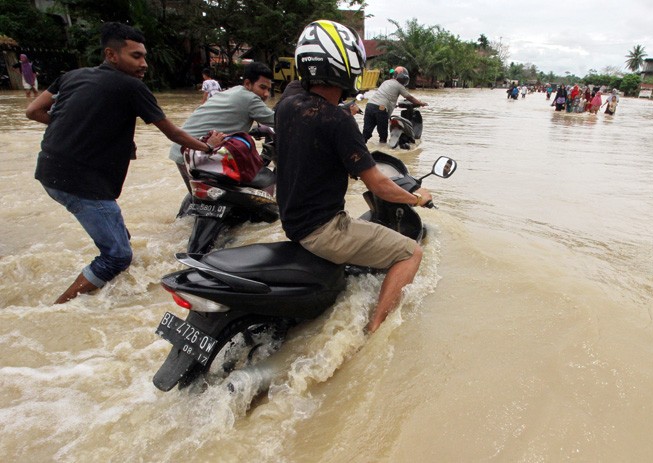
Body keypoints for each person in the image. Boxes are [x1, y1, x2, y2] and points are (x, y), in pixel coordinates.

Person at [25, 22, 225, 304]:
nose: (144, 64)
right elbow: (172, 133)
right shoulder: (131, 86)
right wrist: (208, 146)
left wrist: (76, 129)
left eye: (144, 56)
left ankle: (109, 290)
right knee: (118, 255)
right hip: (82, 182)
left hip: (48, 172)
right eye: (136, 56)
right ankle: (58, 308)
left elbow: (34, 110)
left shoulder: (71, 76)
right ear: (111, 54)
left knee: (119, 234)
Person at [277, 20, 433, 333]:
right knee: (411, 253)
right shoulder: (336, 120)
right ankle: (375, 327)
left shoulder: (287, 102)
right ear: (344, 66)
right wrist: (417, 197)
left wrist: (348, 107)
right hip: (325, 231)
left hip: (293, 223)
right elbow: (378, 185)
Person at [169, 62, 276, 192]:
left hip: (182, 149)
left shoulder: (234, 91)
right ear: (247, 84)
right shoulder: (250, 98)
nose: (266, 94)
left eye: (269, 89)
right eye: (262, 87)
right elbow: (278, 121)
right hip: (195, 152)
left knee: (200, 199)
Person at [362, 65, 428, 144]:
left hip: (369, 106)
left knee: (366, 132)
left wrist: (396, 105)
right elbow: (410, 98)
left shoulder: (386, 82)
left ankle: (360, 148)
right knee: (383, 135)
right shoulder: (399, 86)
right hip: (381, 108)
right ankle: (382, 150)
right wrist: (421, 103)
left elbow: (385, 96)